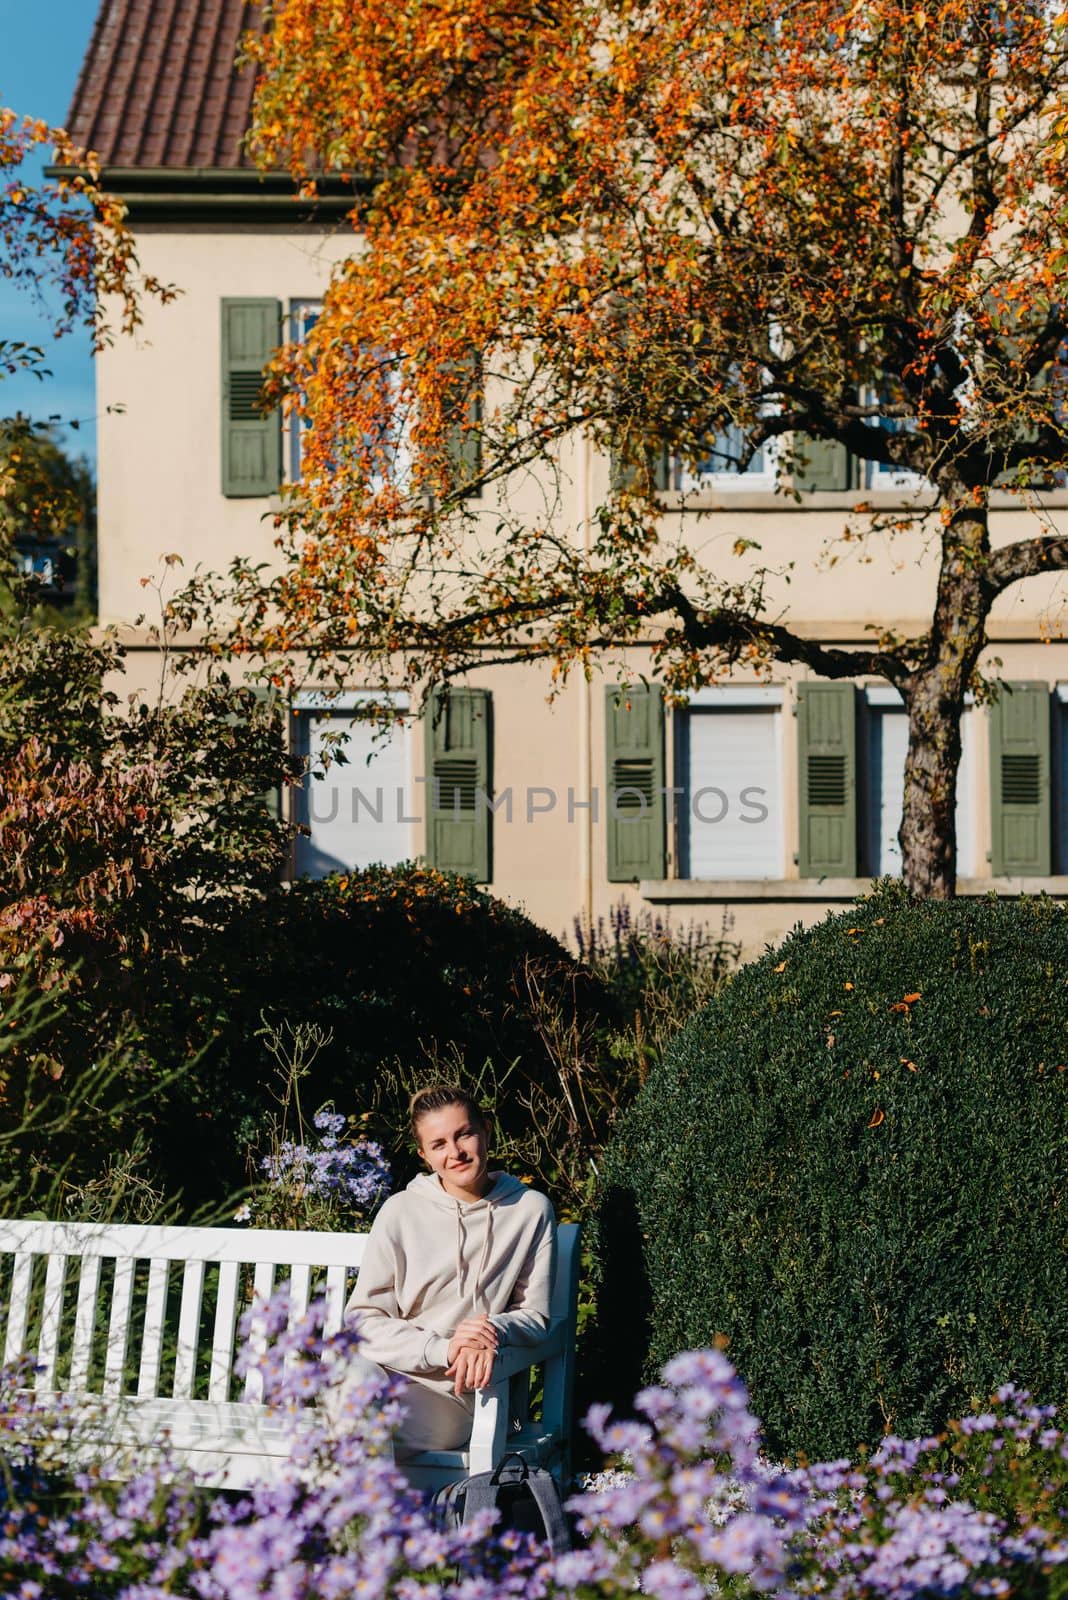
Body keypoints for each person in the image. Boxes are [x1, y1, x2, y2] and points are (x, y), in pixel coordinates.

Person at [337, 1083, 557, 1458]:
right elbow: (361, 1321)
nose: (455, 1152)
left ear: (485, 1130)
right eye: (438, 1144)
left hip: (459, 1394)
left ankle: (359, 1514)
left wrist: (490, 1329)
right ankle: (366, 1514)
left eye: (464, 1134)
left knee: (352, 1434)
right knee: (351, 1393)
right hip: (388, 1374)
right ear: (424, 1154)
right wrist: (444, 1348)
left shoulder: (529, 1210)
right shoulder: (400, 1211)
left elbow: (535, 1317)